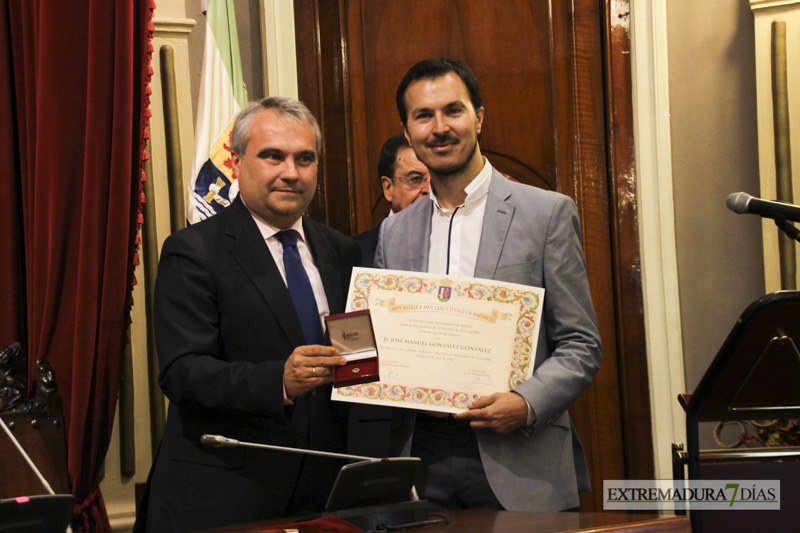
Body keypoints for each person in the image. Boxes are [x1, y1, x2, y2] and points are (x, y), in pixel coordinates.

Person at [374, 57, 602, 511]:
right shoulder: (394, 232)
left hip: (520, 459)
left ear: (479, 116)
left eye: (453, 110)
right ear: (408, 131)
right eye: (423, 116)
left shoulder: (547, 214)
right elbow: (385, 340)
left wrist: (527, 402)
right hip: (423, 459)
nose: (439, 127)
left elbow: (581, 344)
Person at [134, 97, 360, 531]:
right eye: (272, 156)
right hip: (225, 497)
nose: (291, 172)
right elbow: (182, 372)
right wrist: (278, 382)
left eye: (305, 158)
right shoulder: (194, 250)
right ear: (236, 163)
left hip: (322, 495)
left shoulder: (343, 251)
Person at [355, 133, 430, 267]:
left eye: (435, 180)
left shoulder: (455, 241)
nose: (428, 190)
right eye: (416, 179)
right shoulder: (356, 252)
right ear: (388, 187)